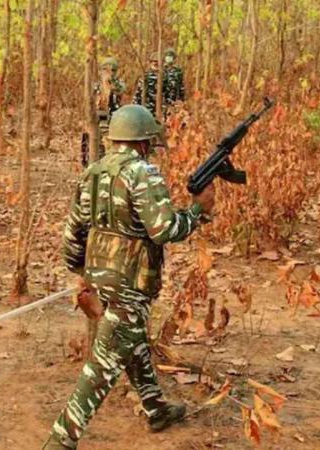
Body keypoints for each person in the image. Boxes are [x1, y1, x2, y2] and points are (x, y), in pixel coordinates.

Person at [43, 105, 216, 449]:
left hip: (100, 275)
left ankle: (156, 409)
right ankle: (60, 440)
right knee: (102, 365)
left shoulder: (93, 171)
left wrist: (80, 273)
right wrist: (198, 210)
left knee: (130, 341)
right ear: (144, 142)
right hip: (131, 282)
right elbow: (165, 229)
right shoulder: (142, 173)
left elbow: (74, 231)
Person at [82, 57, 126, 167]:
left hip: (113, 120)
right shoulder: (96, 85)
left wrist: (110, 82)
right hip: (97, 120)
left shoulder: (118, 83)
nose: (109, 72)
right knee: (95, 146)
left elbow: (121, 89)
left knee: (110, 147)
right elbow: (90, 100)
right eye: (105, 69)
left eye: (112, 70)